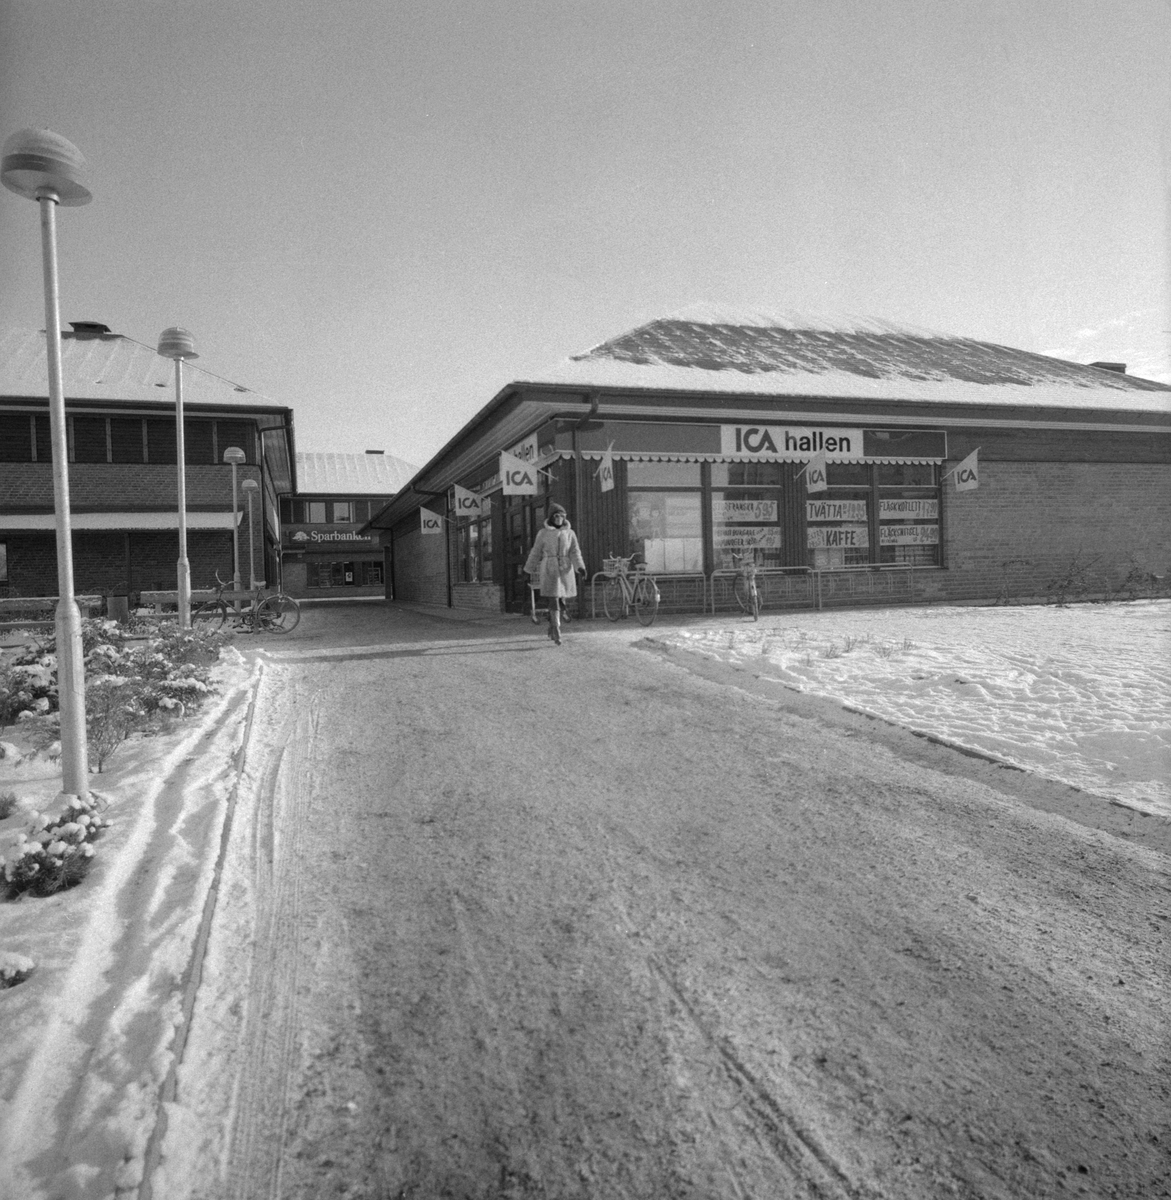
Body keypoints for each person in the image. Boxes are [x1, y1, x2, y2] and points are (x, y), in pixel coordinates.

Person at [524, 502, 585, 645]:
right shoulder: (543, 533)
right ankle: (557, 630)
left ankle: (552, 624)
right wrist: (528, 569)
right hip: (549, 569)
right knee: (553, 599)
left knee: (561, 600)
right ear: (551, 517)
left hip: (565, 570)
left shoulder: (570, 533)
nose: (559, 519)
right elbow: (535, 552)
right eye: (556, 516)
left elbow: (575, 552)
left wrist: (580, 567)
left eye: (562, 516)